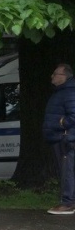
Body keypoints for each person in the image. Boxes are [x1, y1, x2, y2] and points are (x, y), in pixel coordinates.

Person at [47, 62, 75, 215]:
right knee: (67, 169)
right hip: (63, 136)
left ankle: (67, 202)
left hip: (65, 137)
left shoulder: (69, 92)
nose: (52, 76)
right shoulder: (62, 91)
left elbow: (74, 115)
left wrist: (62, 124)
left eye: (55, 74)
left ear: (64, 77)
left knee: (67, 170)